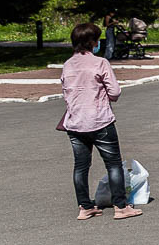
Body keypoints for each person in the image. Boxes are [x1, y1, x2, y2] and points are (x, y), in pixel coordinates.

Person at [60, 22, 140, 220]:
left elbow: (66, 92)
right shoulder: (100, 63)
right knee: (112, 164)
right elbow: (114, 92)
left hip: (75, 123)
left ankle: (85, 207)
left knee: (80, 166)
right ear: (92, 42)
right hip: (99, 120)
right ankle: (121, 207)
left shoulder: (68, 65)